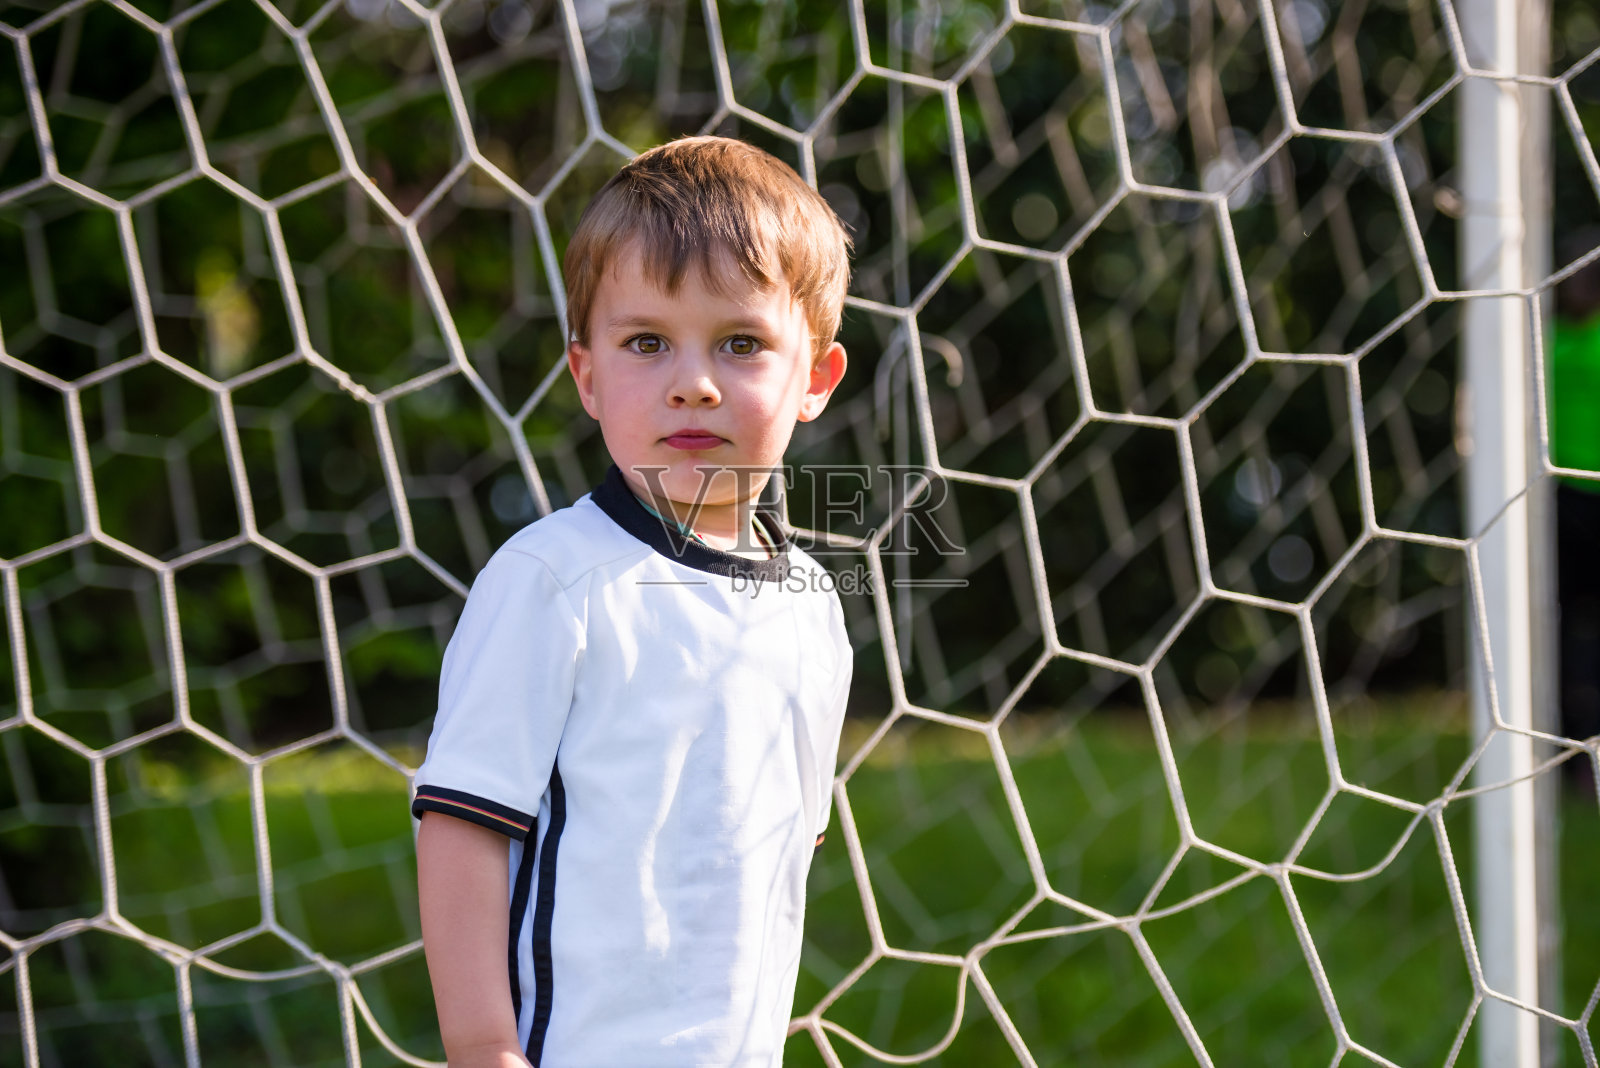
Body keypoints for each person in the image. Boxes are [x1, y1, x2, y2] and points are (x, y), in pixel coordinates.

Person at [410, 136, 855, 1068]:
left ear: (813, 377)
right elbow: (463, 824)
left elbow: (783, 849)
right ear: (586, 375)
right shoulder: (552, 582)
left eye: (740, 343)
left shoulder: (813, 604)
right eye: (647, 342)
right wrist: (485, 1046)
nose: (692, 381)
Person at [1551, 232, 1600, 794]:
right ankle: (1574, 759)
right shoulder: (1546, 346)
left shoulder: (1543, 346)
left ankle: (1574, 762)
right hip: (1565, 501)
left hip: (1562, 506)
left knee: (1565, 638)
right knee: (1569, 639)